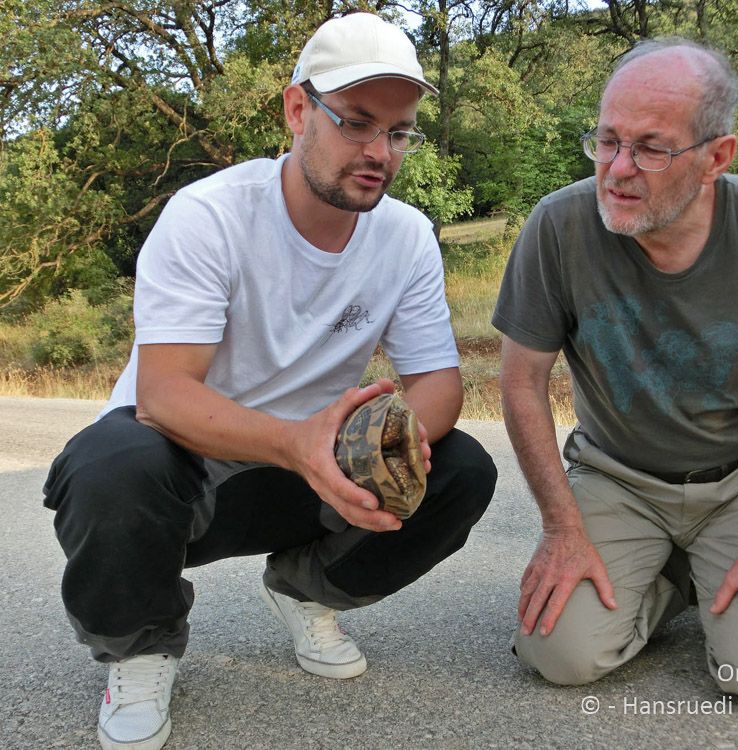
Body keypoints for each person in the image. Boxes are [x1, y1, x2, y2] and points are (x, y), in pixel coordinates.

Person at [43, 13, 497, 750]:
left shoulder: (407, 235)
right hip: (182, 474)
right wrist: (298, 443)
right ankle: (139, 648)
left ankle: (304, 591)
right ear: (297, 110)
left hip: (311, 475)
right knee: (109, 463)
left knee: (462, 469)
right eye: (356, 123)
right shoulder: (209, 216)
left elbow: (439, 383)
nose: (380, 151)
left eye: (400, 131)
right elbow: (163, 394)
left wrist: (377, 443)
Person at [492, 36, 738, 700]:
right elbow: (519, 381)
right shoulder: (558, 226)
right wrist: (563, 527)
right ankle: (668, 582)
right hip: (616, 477)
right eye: (606, 141)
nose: (618, 169)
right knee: (561, 655)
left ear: (717, 156)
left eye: (652, 148)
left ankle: (721, 569)